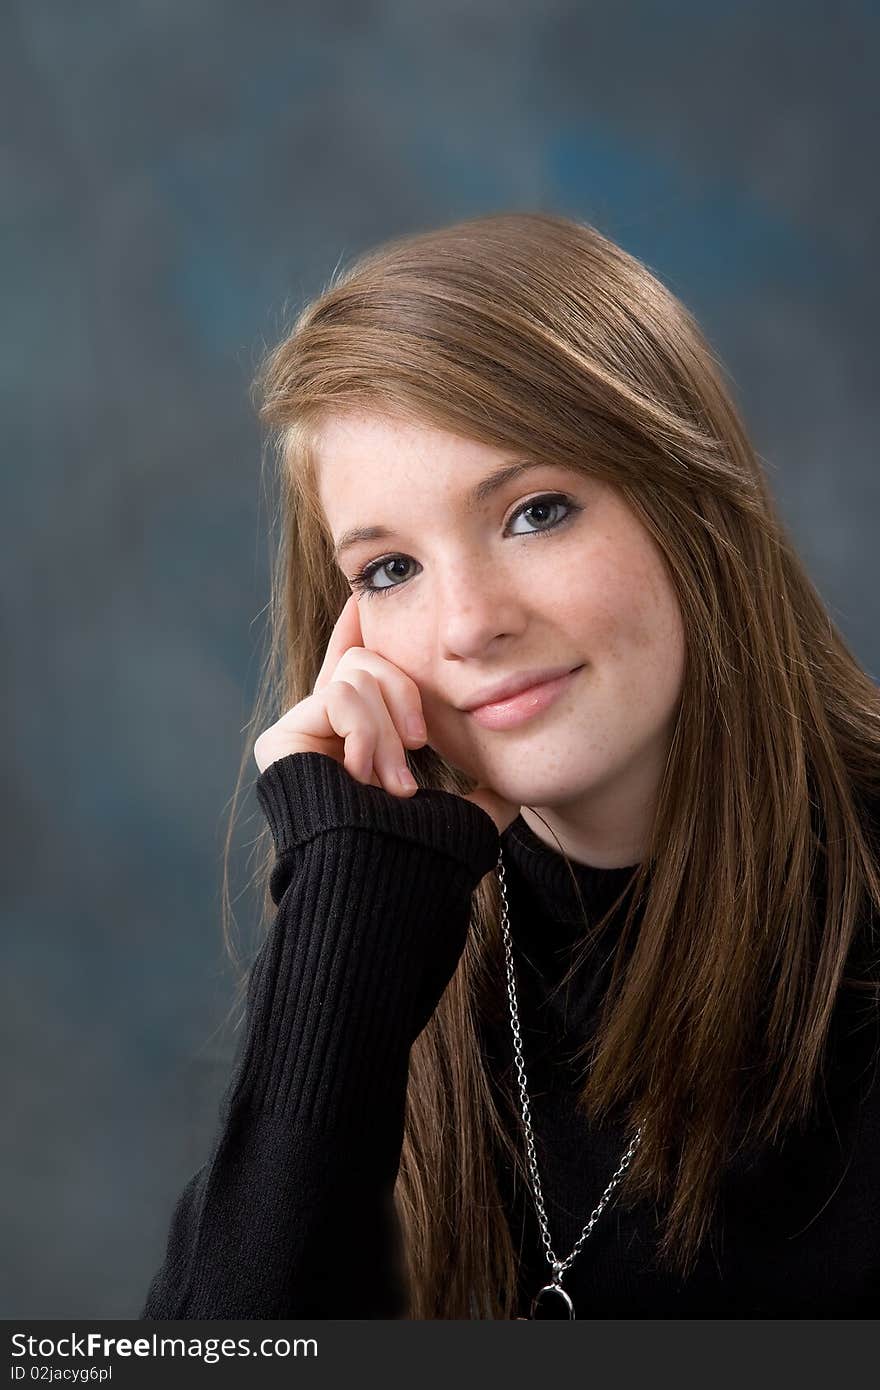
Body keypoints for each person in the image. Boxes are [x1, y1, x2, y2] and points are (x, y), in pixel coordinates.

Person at [140, 211, 880, 1320]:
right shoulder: (385, 932)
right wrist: (341, 920)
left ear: (693, 512)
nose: (468, 625)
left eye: (536, 512)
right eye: (390, 568)